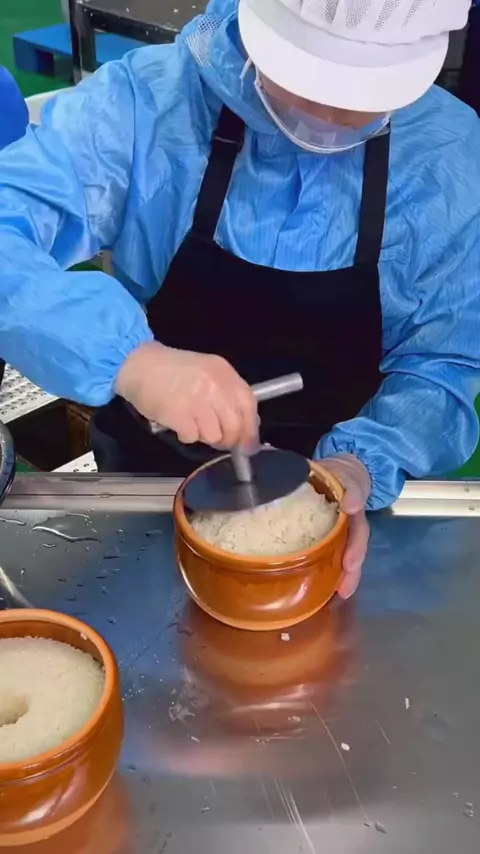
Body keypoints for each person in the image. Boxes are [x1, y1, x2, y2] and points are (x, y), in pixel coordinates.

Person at [0, 0, 478, 600]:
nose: (331, 115)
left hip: (343, 516)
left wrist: (360, 466)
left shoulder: (447, 155)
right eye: (308, 78)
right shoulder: (148, 105)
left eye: (366, 95)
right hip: (148, 481)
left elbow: (443, 361)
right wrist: (132, 361)